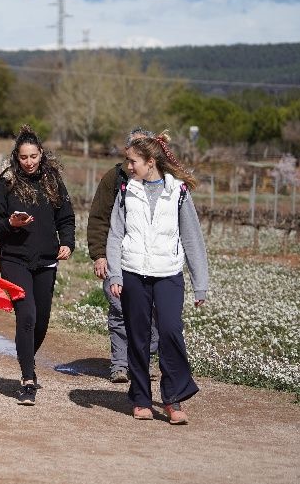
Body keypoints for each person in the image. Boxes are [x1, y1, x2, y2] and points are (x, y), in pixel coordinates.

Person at [107, 132, 208, 425]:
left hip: (168, 274)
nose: (128, 166)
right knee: (138, 337)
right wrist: (115, 273)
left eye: (133, 161)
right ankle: (141, 398)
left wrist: (200, 282)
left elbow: (192, 239)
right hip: (133, 272)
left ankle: (173, 399)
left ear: (150, 162)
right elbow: (115, 235)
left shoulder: (179, 192)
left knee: (171, 332)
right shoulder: (126, 191)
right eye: (127, 161)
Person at [0, 125, 75, 406]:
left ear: (41, 154)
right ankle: (28, 379)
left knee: (41, 321)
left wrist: (67, 242)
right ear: (16, 157)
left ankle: (26, 358)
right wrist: (11, 224)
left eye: (34, 156)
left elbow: (66, 217)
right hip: (14, 259)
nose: (29, 162)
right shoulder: (7, 182)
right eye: (24, 157)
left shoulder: (53, 180)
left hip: (46, 261)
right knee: (27, 315)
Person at [87, 127, 159, 383]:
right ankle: (119, 364)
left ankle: (141, 361)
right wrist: (99, 255)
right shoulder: (114, 178)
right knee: (119, 309)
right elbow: (98, 219)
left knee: (152, 314)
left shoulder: (164, 182)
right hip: (117, 256)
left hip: (152, 262)